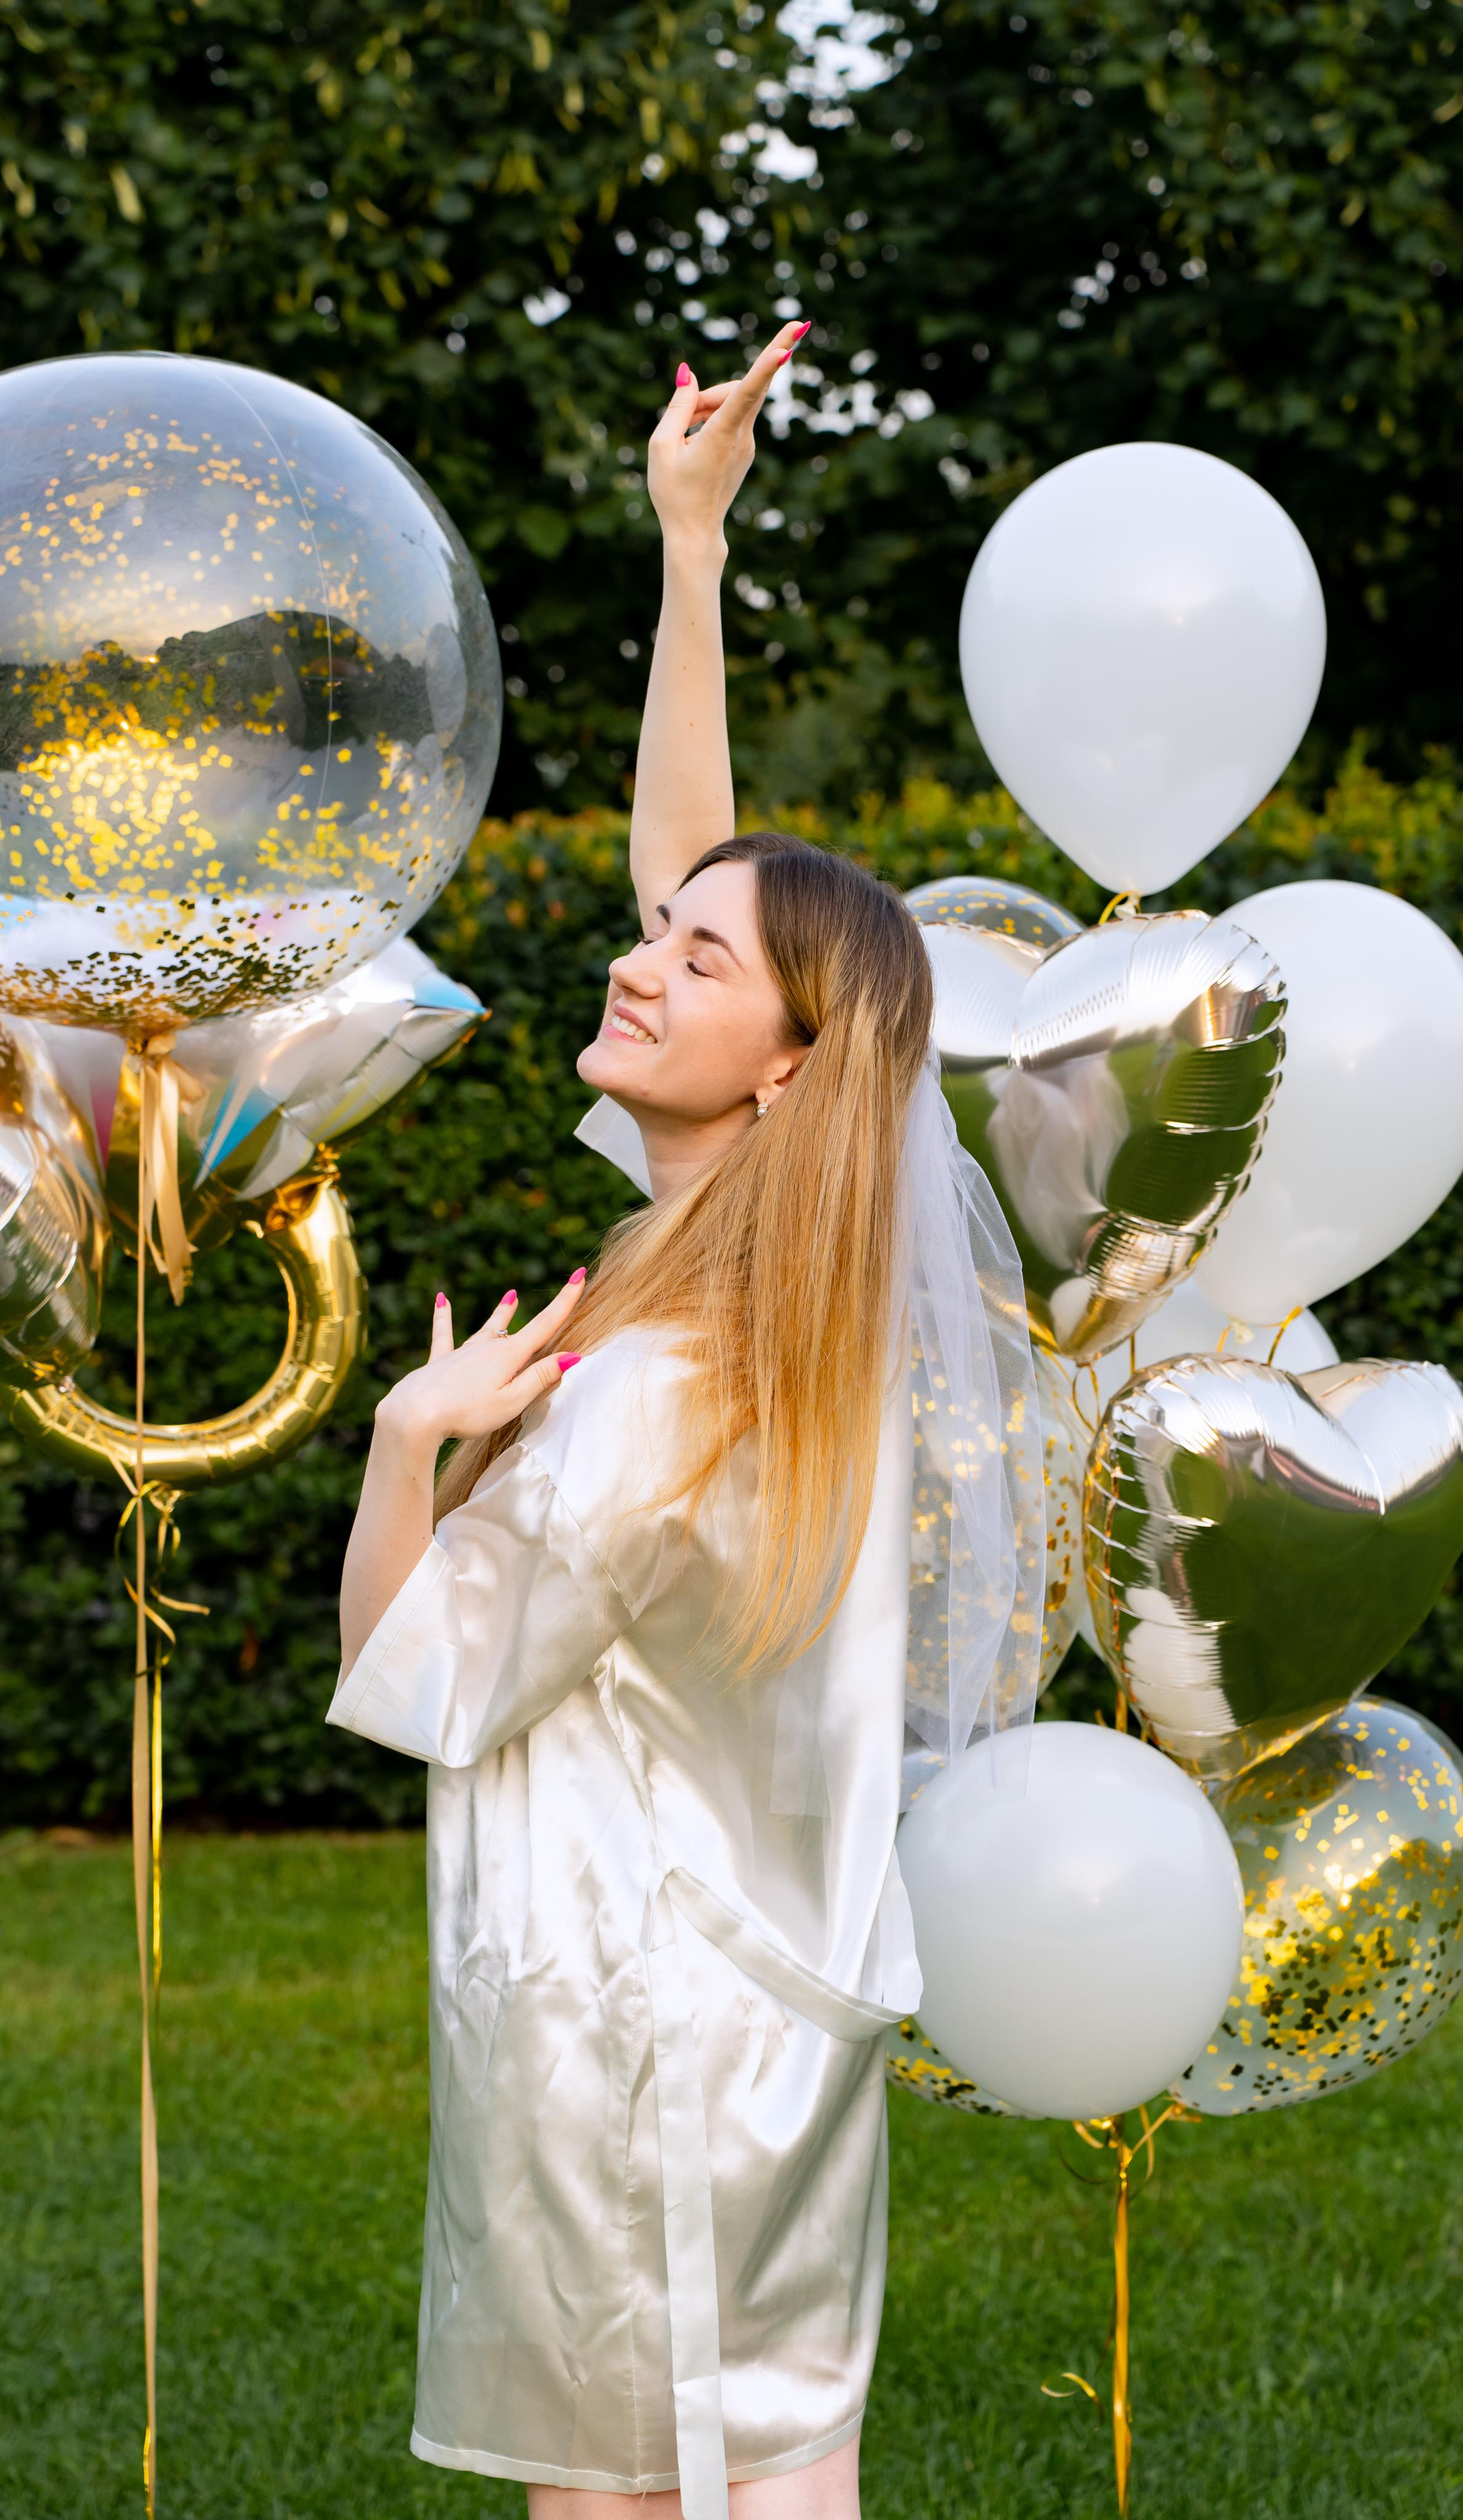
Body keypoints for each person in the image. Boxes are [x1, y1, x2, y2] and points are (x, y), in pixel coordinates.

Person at [333, 316, 1043, 2519]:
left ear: (785, 1076)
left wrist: (404, 1443)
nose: (639, 962)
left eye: (695, 965)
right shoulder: (777, 1300)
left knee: (624, 2506)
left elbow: (409, 1680)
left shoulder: (658, 1382)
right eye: (668, 933)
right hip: (772, 2028)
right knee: (775, 2476)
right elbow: (707, 873)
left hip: (630, 2038)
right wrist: (688, 552)